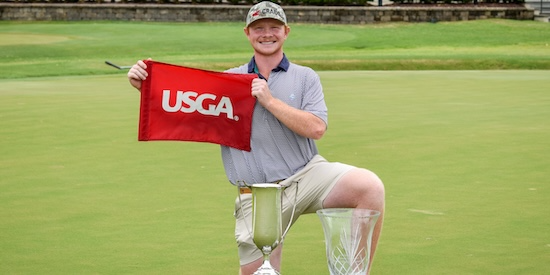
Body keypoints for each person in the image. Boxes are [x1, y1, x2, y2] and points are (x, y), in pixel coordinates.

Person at [127, 1, 385, 274]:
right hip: (256, 192)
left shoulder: (306, 77)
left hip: (307, 177)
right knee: (257, 272)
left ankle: (356, 273)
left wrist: (270, 101)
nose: (266, 34)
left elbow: (316, 128)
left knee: (369, 187)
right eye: (258, 28)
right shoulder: (227, 81)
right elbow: (185, 108)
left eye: (274, 27)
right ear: (247, 34)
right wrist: (147, 86)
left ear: (286, 32)